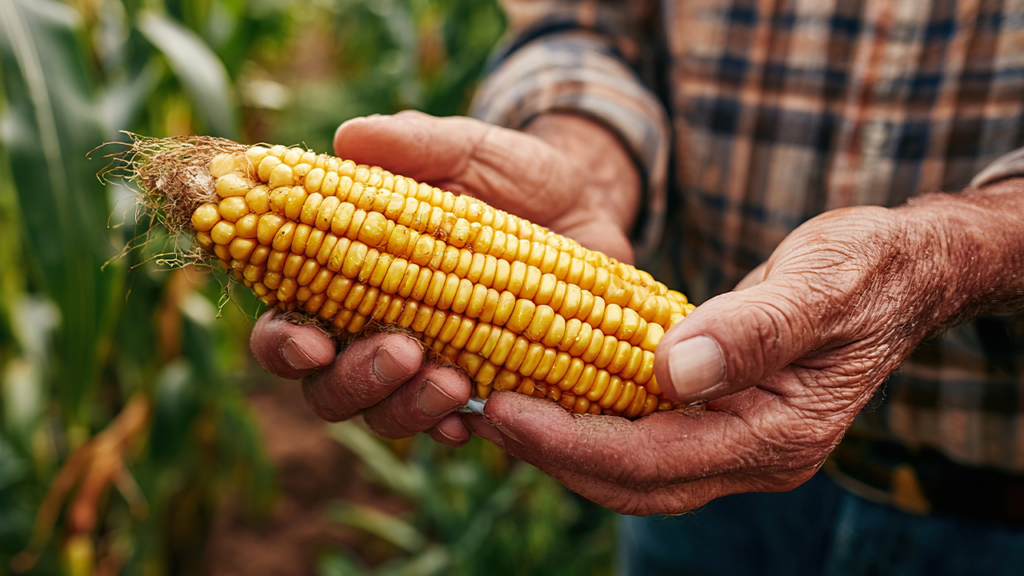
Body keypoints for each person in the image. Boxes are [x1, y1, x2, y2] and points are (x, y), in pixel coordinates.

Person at [251, 1, 1024, 573]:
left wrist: (947, 260)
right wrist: (585, 159)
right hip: (692, 456)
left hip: (993, 516)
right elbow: (583, 25)